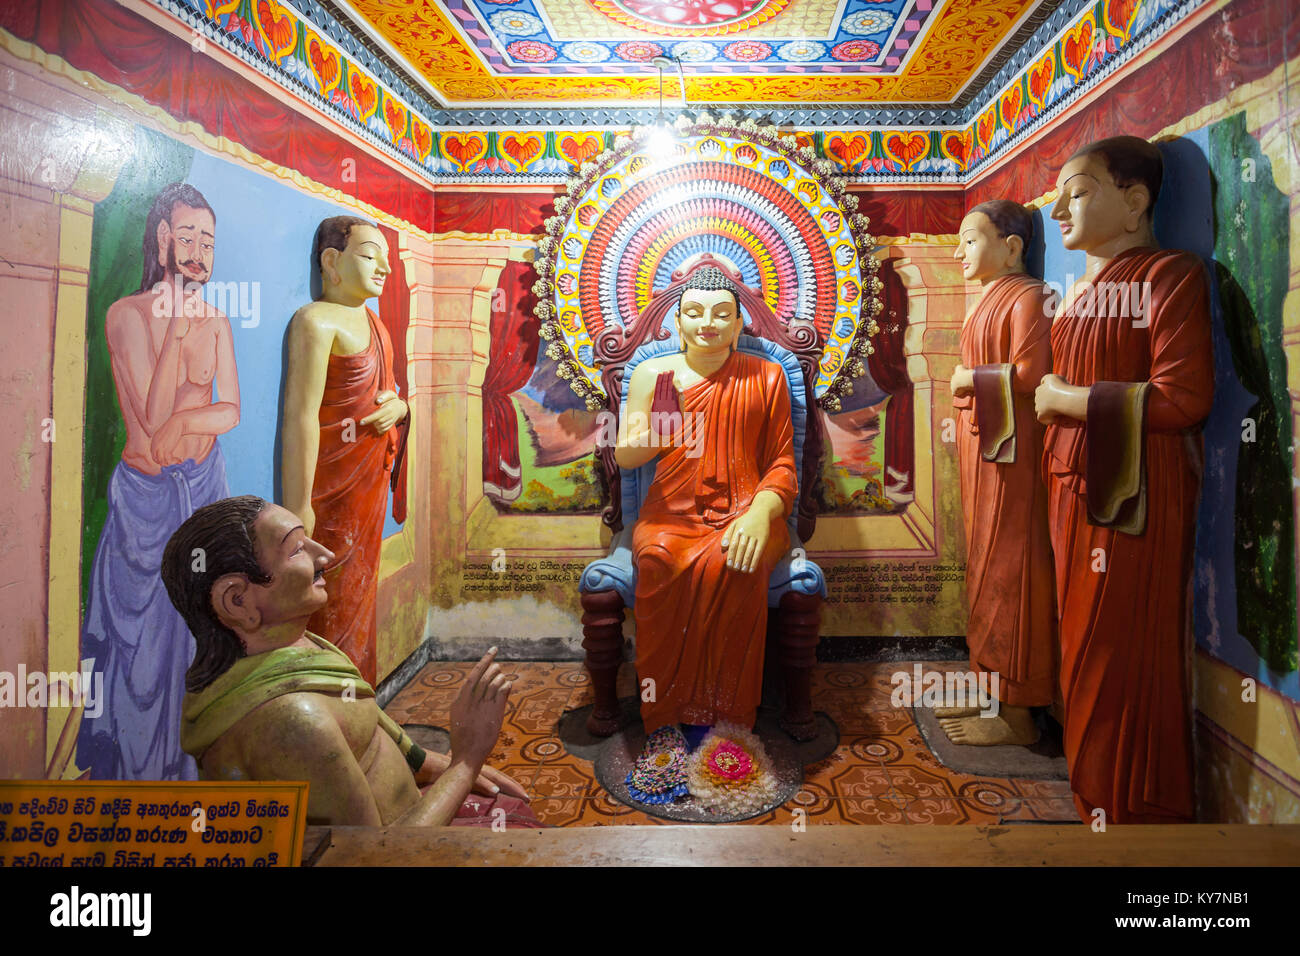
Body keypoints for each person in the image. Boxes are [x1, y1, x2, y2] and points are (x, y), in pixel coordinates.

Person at [162, 495, 537, 827]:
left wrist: (437, 765)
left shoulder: (301, 650)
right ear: (237, 601)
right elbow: (374, 859)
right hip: (402, 850)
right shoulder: (291, 720)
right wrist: (466, 763)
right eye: (296, 550)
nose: (324, 555)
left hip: (413, 818)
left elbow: (374, 728)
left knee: (511, 808)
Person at [1034, 135, 1213, 823]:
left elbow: (1183, 398)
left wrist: (1069, 401)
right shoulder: (1079, 294)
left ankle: (1132, 806)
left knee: (1117, 650)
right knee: (1081, 643)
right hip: (1073, 489)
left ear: (1135, 202)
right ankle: (1092, 796)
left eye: (1077, 192)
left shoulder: (1170, 277)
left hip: (1134, 497)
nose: (1058, 209)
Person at [78, 182, 239, 781]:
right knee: (145, 652)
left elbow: (231, 411)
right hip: (146, 505)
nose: (200, 253)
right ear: (164, 238)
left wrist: (185, 419)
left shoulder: (217, 320)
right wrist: (174, 334)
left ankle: (195, 773)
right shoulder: (127, 316)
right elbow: (147, 417)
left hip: (204, 491)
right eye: (189, 237)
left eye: (210, 241)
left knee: (205, 636)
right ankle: (142, 786)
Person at [615, 266, 799, 748]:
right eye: (694, 312)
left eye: (722, 313)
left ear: (740, 325)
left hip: (750, 509)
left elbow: (781, 465)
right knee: (656, 561)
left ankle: (730, 718)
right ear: (677, 321)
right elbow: (625, 454)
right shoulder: (654, 372)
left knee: (734, 562)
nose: (708, 323)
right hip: (671, 514)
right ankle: (664, 711)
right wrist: (659, 427)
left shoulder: (768, 375)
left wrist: (761, 514)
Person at [942, 200, 1056, 746]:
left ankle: (1019, 714)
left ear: (1012, 246)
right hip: (981, 450)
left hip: (1013, 455)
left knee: (1012, 567)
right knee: (983, 565)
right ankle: (994, 689)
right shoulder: (989, 298)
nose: (958, 251)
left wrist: (968, 378)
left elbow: (1033, 374)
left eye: (969, 239)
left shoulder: (1030, 296)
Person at [281, 216, 408, 686]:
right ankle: (333, 708)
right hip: (330, 487)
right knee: (328, 593)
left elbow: (389, 391)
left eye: (388, 260)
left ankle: (363, 703)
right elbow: (300, 417)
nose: (385, 269)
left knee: (360, 590)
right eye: (371, 255)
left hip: (369, 479)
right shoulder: (315, 322)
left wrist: (400, 406)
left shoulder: (375, 323)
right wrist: (297, 507)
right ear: (331, 262)